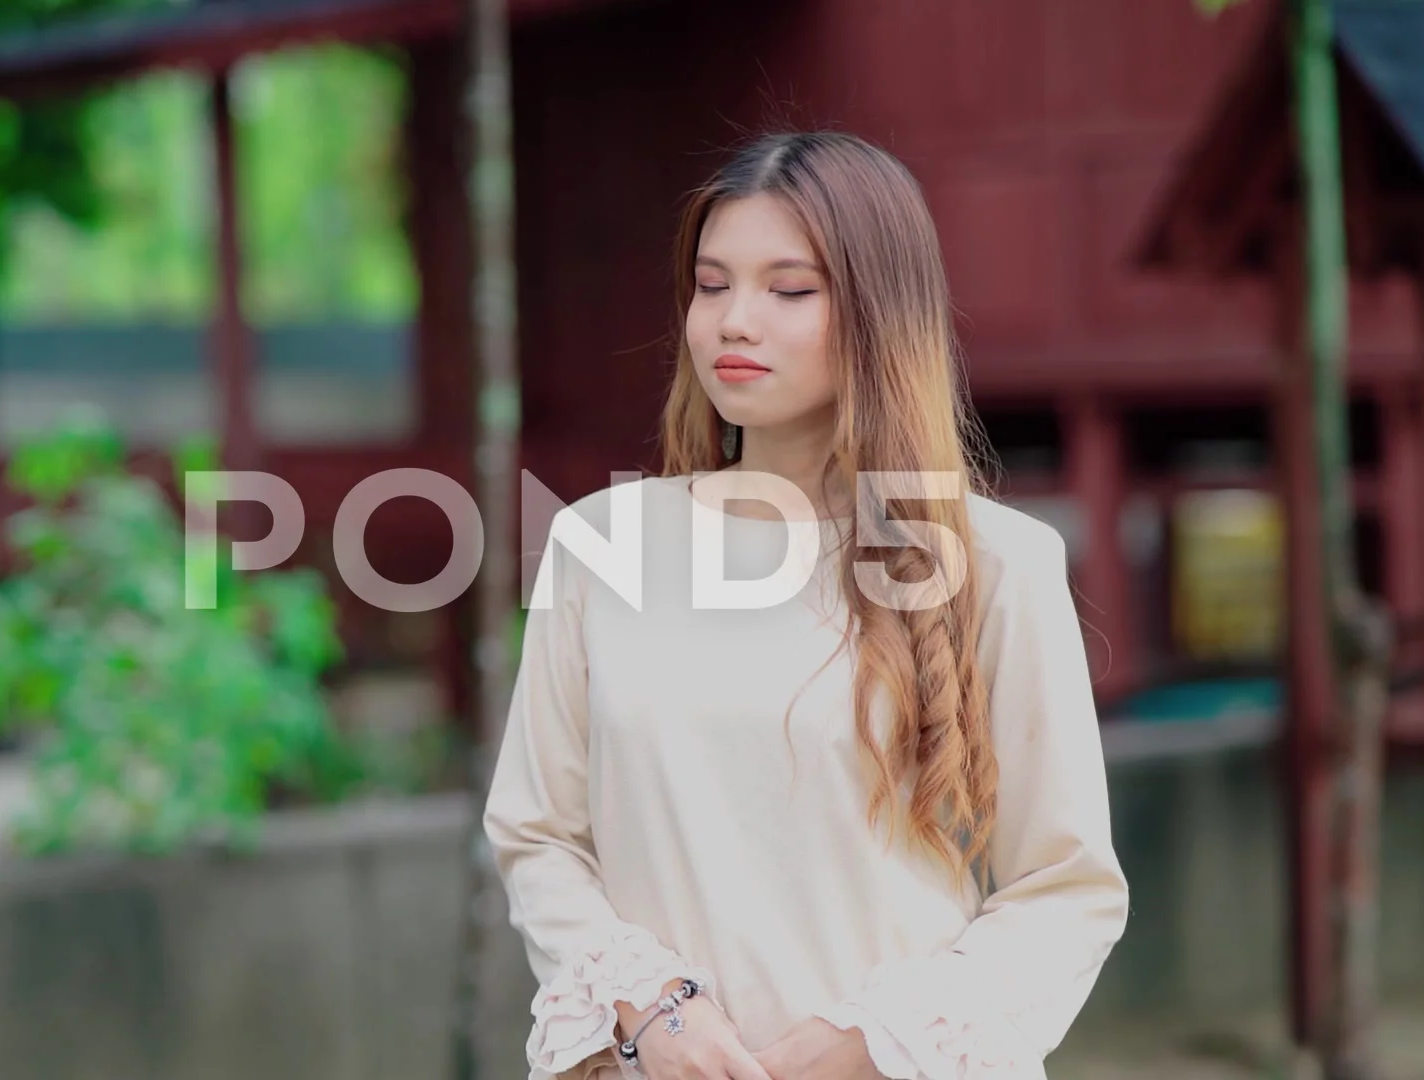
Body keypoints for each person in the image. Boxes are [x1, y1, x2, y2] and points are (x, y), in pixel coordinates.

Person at [482, 130, 1130, 1080]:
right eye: (711, 285)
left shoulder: (999, 565)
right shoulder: (598, 544)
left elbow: (1066, 890)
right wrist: (649, 1007)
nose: (734, 321)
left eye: (790, 290)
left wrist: (878, 1040)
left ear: (879, 311)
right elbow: (537, 835)